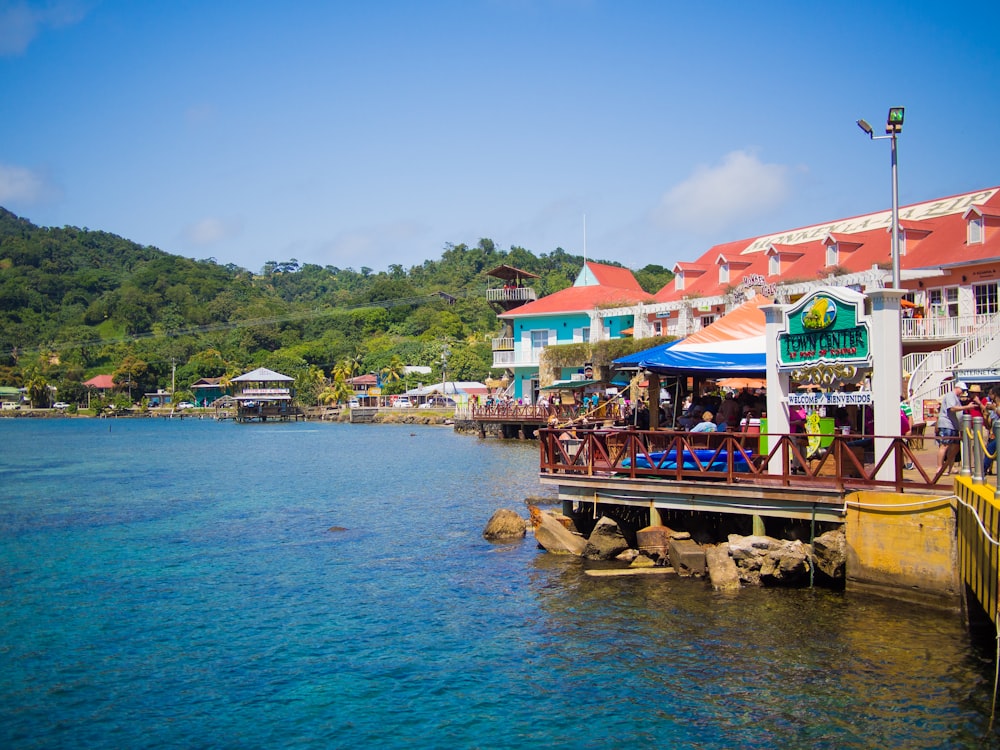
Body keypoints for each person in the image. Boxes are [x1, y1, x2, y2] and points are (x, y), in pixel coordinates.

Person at [938, 381, 972, 475]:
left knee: (955, 447)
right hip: (947, 424)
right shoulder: (950, 396)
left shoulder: (956, 398)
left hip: (954, 425)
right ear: (958, 388)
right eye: (962, 390)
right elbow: (952, 408)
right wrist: (967, 407)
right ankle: (940, 467)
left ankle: (950, 466)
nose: (963, 392)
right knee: (944, 445)